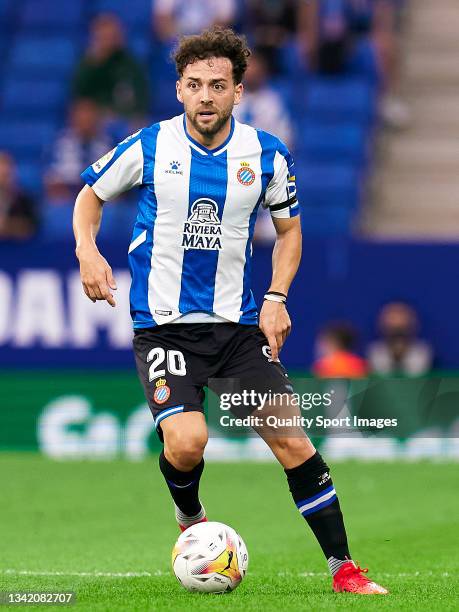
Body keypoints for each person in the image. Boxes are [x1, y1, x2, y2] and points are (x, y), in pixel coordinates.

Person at [73, 27, 387, 595]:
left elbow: (290, 235)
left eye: (218, 85)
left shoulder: (265, 153)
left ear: (238, 91)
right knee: (188, 442)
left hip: (238, 329)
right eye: (195, 85)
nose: (206, 96)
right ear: (178, 90)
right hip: (165, 330)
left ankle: (345, 570)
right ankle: (191, 518)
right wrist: (88, 252)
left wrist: (276, 297)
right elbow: (89, 197)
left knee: (293, 440)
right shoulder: (149, 145)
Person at [72, 13, 149, 120]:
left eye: (111, 36)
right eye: (103, 36)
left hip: (125, 120)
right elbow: (79, 95)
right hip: (96, 120)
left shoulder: (129, 63)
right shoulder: (88, 64)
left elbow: (141, 96)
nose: (108, 40)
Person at [46, 99, 114, 202]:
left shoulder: (108, 144)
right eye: (81, 116)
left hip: (100, 195)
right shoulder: (60, 144)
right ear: (72, 118)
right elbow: (50, 178)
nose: (86, 120)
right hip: (68, 193)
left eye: (89, 116)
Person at [367, 302, 433, 375]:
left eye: (401, 316)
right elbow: (381, 372)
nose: (397, 322)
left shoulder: (422, 350)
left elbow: (416, 372)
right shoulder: (375, 351)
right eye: (392, 317)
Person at [0, 152, 37, 240]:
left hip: (18, 251)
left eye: (6, 173)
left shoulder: (24, 199)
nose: (3, 173)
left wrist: (6, 225)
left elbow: (31, 227)